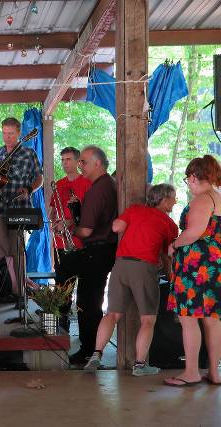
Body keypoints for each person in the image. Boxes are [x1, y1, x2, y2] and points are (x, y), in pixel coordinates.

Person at [84, 184, 178, 376]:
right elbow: (167, 255)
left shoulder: (135, 210)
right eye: (173, 198)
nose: (175, 201)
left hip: (120, 265)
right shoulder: (169, 224)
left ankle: (96, 355)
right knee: (148, 320)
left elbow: (116, 226)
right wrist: (171, 278)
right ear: (165, 199)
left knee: (111, 315)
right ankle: (140, 365)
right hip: (144, 268)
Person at [164, 155, 221, 387]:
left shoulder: (202, 199)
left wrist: (174, 244)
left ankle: (191, 372)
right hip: (214, 264)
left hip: (197, 267)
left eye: (188, 178)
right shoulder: (217, 197)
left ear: (195, 176)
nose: (187, 183)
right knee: (212, 320)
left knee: (189, 319)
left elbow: (195, 231)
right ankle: (214, 372)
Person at [0, 117, 43, 313]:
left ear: (19, 133)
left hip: (19, 207)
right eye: (4, 133)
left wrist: (29, 188)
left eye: (11, 133)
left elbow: (39, 178)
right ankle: (18, 286)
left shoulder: (28, 153)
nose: (7, 137)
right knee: (4, 250)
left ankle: (20, 293)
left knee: (17, 249)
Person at [67, 145, 118, 365]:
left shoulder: (99, 188)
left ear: (98, 163)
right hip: (106, 248)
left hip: (97, 249)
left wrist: (71, 226)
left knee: (87, 302)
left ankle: (89, 350)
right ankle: (91, 349)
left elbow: (86, 231)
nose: (80, 166)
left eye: (84, 162)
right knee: (92, 300)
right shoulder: (110, 185)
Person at [51, 147, 92, 328]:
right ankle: (62, 324)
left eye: (68, 159)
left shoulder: (86, 183)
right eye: (62, 160)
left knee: (82, 287)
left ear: (77, 162)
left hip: (80, 242)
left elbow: (91, 212)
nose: (64, 163)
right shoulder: (59, 184)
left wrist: (69, 222)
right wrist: (55, 224)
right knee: (62, 285)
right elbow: (53, 210)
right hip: (61, 242)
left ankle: (83, 327)